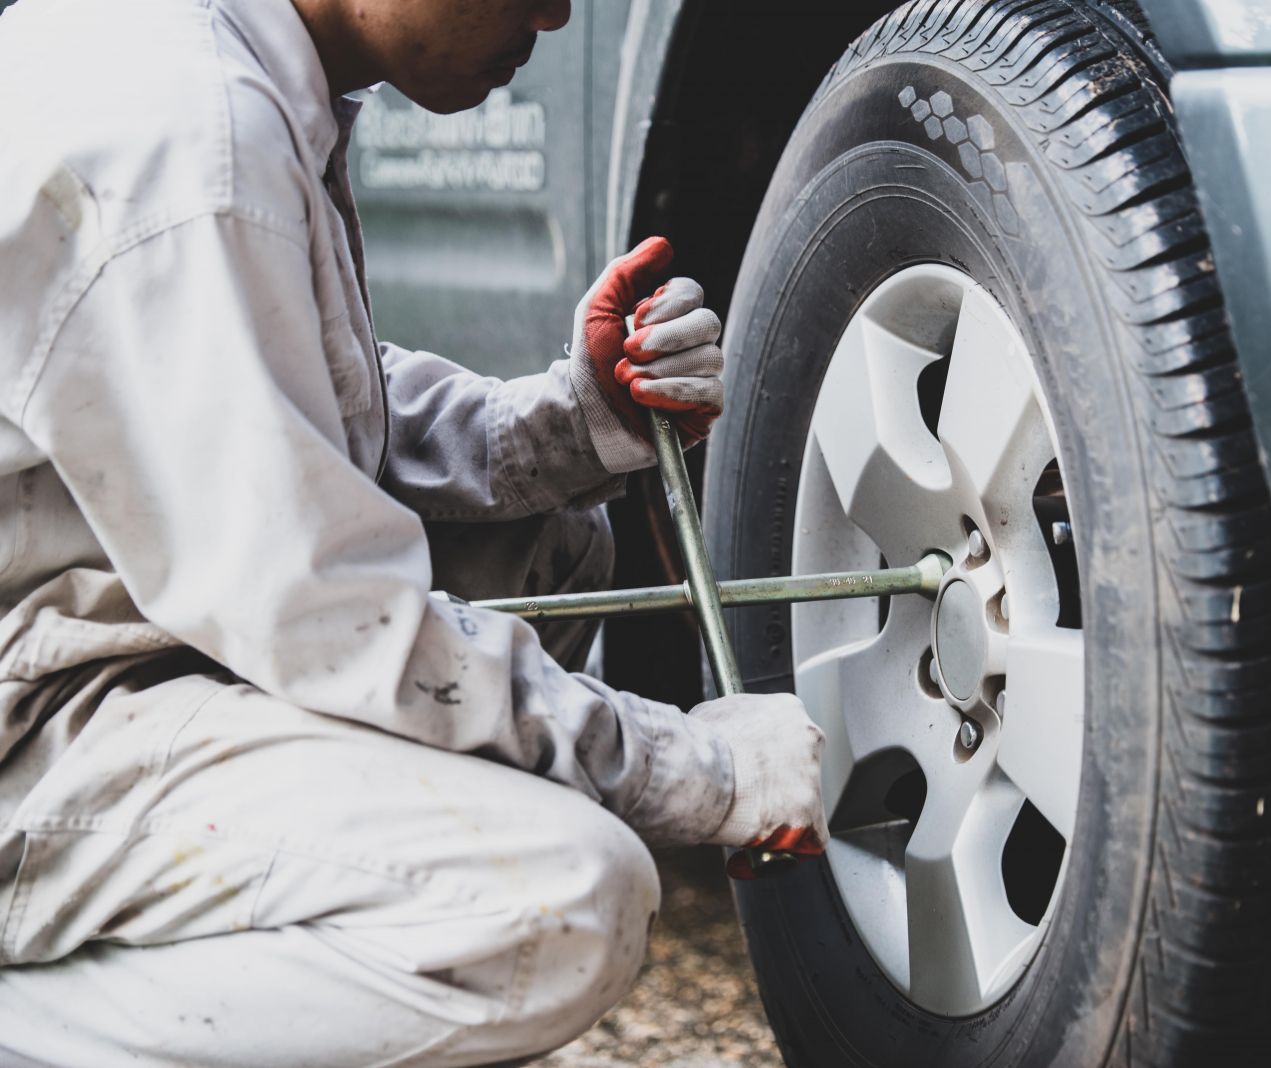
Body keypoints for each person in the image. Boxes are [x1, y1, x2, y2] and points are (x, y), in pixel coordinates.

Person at [0, 0, 827, 1064]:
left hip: (84, 645)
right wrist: (701, 770)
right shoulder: (184, 133)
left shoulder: (217, 64)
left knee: (548, 541)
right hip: (30, 743)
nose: (557, 9)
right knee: (563, 903)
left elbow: (269, 399)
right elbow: (331, 619)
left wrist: (569, 427)